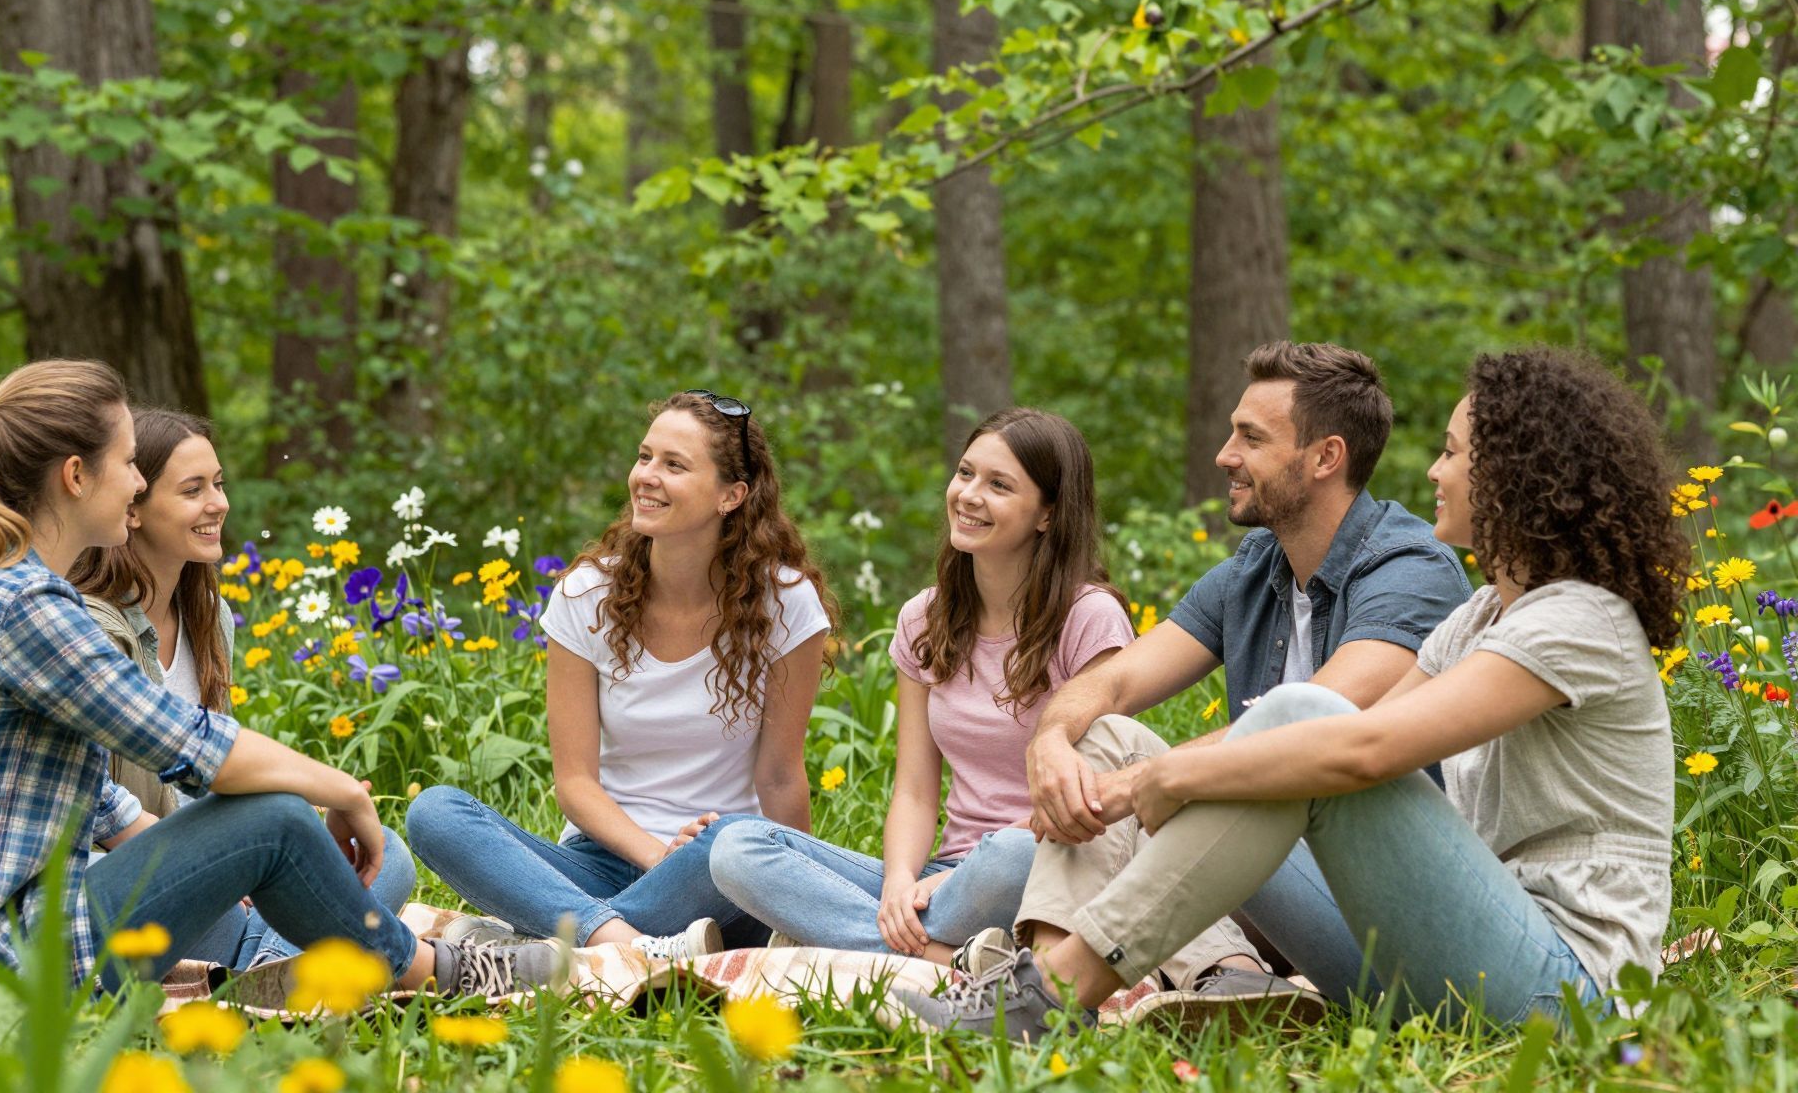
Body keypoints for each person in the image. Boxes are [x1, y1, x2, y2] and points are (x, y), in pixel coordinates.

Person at [891, 348, 1684, 1038]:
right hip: (1432, 965)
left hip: (1568, 992)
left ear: (1518, 477)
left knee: (1299, 721)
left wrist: (1164, 780)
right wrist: (1063, 744)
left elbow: (1364, 743)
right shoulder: (1480, 614)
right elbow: (1135, 691)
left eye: (1451, 453)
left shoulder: (1579, 619)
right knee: (1140, 739)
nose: (1435, 471)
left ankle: (1050, 995)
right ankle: (1042, 978)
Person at [0, 361, 464, 998]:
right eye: (130, 464)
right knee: (279, 821)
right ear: (76, 476)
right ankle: (434, 972)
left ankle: (278, 970)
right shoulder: (25, 606)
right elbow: (196, 747)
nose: (137, 482)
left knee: (330, 844)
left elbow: (95, 796)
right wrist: (344, 792)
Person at [990, 342, 1471, 1016]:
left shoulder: (1411, 571)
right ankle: (1062, 994)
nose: (1224, 455)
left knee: (1187, 771)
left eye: (1250, 437)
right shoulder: (1256, 568)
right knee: (1103, 739)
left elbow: (1310, 719)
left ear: (1325, 457)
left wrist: (1140, 785)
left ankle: (1049, 993)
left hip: (1372, 904)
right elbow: (1116, 684)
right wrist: (1050, 746)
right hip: (1250, 882)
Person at [712, 409, 1264, 983]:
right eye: (965, 473)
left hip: (1043, 862)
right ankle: (954, 956)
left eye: (999, 485)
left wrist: (950, 881)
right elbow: (915, 789)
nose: (969, 495)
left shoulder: (1088, 616)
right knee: (737, 847)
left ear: (1048, 513)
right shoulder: (923, 618)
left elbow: (1096, 790)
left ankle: (863, 939)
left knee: (1006, 857)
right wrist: (901, 882)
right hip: (944, 875)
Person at [407, 391, 834, 962]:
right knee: (434, 813)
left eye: (674, 465)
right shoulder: (587, 597)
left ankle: (549, 942)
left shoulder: (786, 604)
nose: (647, 477)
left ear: (731, 496)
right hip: (600, 861)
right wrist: (660, 859)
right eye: (645, 457)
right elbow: (576, 783)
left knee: (730, 848)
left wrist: (790, 895)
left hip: (716, 870)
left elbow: (781, 779)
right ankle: (624, 946)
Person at [66, 408, 414, 970]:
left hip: (208, 867)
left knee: (385, 856)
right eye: (193, 489)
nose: (219, 503)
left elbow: (209, 778)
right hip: (119, 881)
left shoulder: (209, 617)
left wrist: (256, 843)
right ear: (134, 505)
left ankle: (262, 968)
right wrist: (225, 857)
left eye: (219, 484)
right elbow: (90, 806)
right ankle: (279, 969)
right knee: (314, 873)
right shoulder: (88, 628)